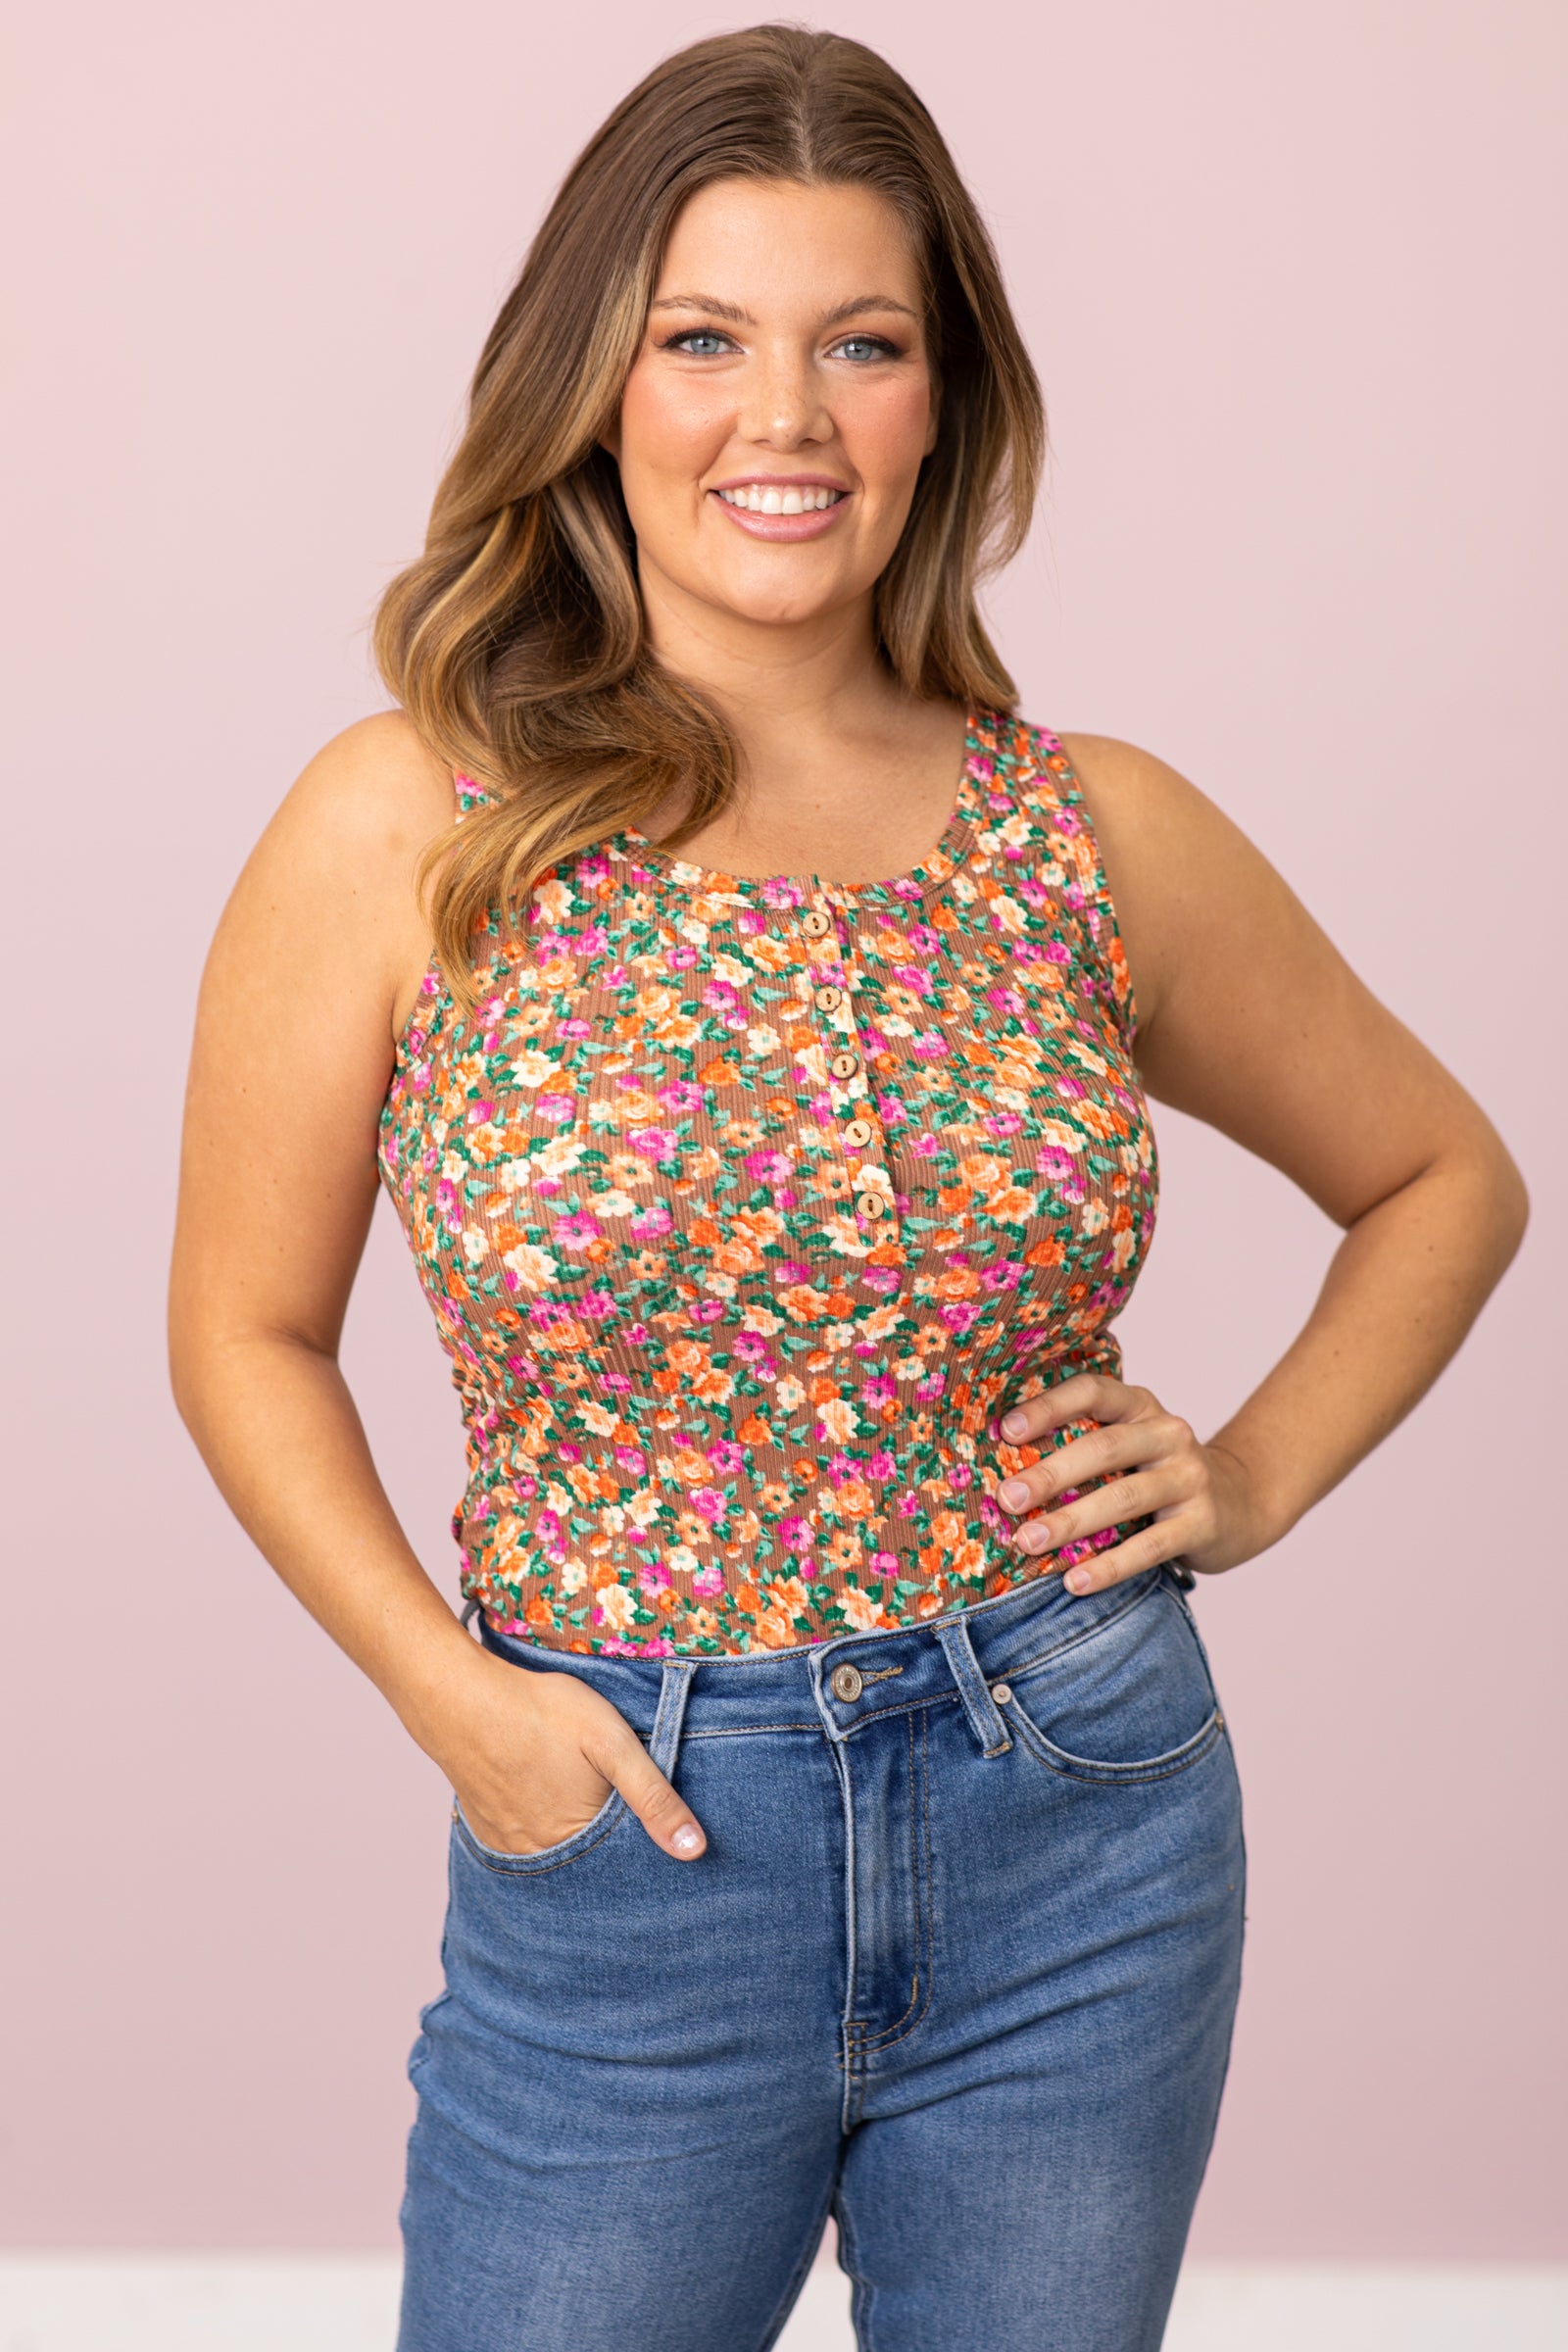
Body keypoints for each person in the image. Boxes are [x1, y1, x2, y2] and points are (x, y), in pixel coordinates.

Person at [167, 24, 1527, 2352]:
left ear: (939, 401)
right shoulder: (409, 823)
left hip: (1075, 1811)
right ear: (594, 384)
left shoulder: (1082, 828)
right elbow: (242, 1335)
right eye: (701, 340)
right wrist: (450, 1698)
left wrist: (1250, 1473)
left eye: (860, 345)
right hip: (632, 1821)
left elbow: (1439, 1175)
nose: (780, 419)